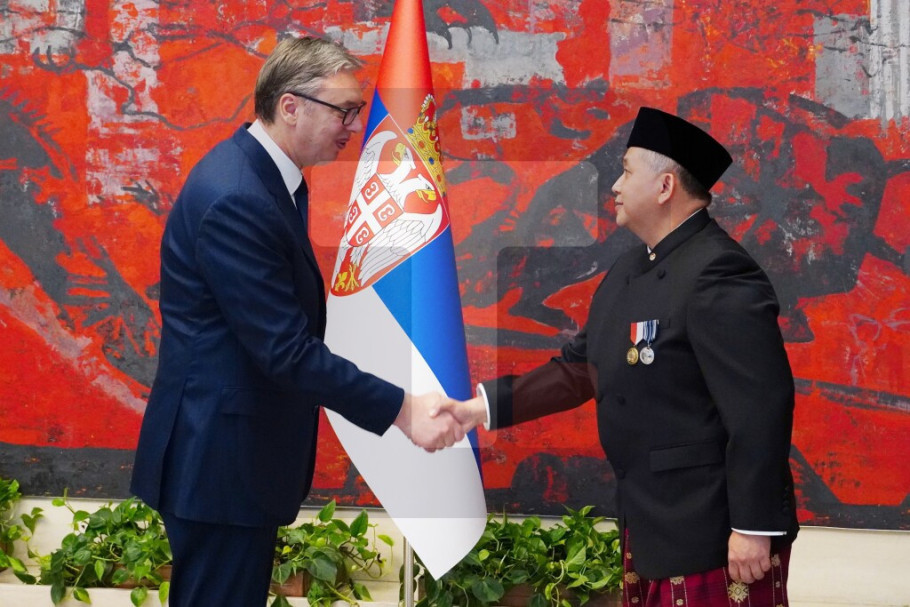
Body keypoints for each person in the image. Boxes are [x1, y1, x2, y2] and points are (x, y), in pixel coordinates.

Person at [130, 36, 466, 607]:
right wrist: (402, 409)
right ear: (290, 106)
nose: (354, 126)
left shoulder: (264, 178)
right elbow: (285, 351)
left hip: (233, 460)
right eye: (344, 111)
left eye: (357, 112)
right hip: (219, 465)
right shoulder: (238, 196)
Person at [443, 107, 800, 606]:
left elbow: (761, 406)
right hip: (650, 521)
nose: (613, 185)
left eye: (627, 172)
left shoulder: (719, 272)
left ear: (665, 186)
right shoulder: (627, 269)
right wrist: (477, 410)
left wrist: (752, 526)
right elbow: (577, 370)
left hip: (716, 530)